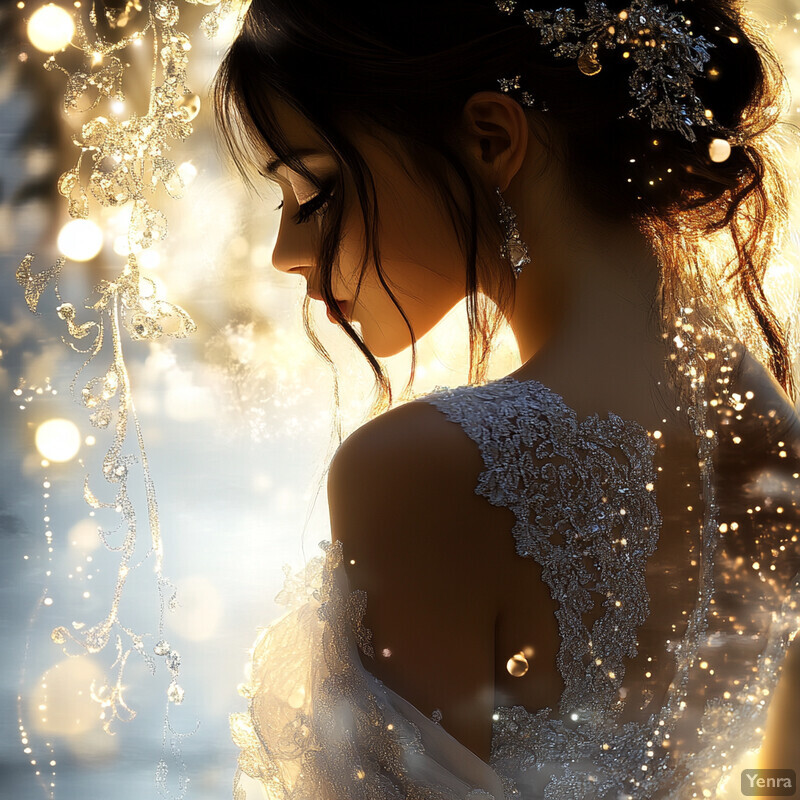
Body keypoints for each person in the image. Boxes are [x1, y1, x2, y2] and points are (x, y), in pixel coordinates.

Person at [212, 0, 800, 796]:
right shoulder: (778, 445)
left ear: (491, 138)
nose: (286, 251)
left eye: (314, 191)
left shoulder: (430, 470)